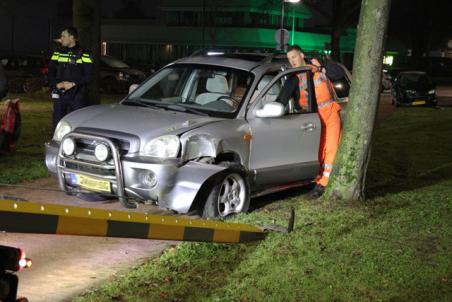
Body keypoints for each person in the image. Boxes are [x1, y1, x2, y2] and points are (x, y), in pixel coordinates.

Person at [278, 44, 342, 198]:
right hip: (313, 116)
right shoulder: (293, 78)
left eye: (293, 57)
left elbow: (338, 73)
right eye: (289, 59)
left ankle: (324, 183)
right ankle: (318, 180)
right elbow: (282, 99)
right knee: (319, 150)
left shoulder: (318, 64)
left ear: (301, 55)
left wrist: (321, 67)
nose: (292, 61)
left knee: (332, 147)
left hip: (331, 112)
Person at [48, 26, 93, 131]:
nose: (61, 38)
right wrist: (56, 84)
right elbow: (50, 71)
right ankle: (57, 144)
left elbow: (89, 75)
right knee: (57, 123)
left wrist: (73, 84)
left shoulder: (84, 53)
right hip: (60, 92)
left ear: (72, 37)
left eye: (63, 36)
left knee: (78, 122)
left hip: (78, 94)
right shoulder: (58, 51)